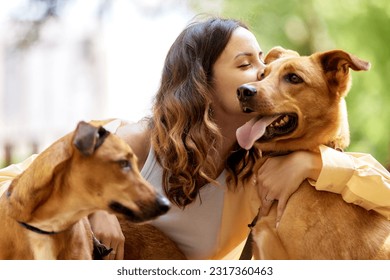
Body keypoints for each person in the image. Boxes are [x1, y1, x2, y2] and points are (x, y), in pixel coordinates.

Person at [1, 16, 390, 260]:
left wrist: (315, 162)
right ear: (202, 81)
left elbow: (381, 197)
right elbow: (13, 187)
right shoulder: (136, 141)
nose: (262, 75)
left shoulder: (260, 166)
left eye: (265, 64)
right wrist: (91, 208)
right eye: (247, 64)